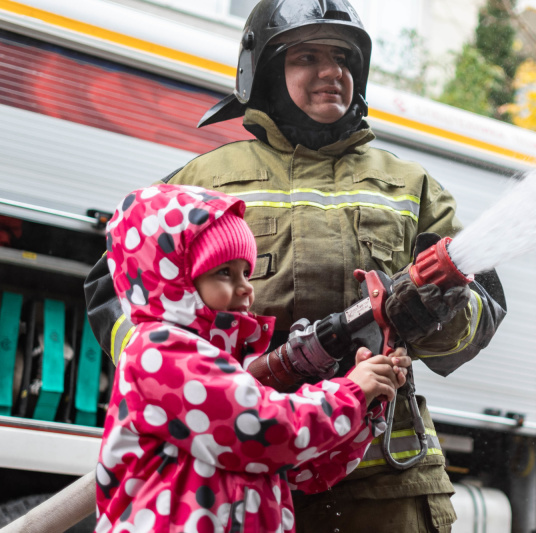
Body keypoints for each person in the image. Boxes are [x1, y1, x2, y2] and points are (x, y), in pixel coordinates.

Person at [84, 1, 507, 531]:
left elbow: (483, 308)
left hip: (382, 487)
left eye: (343, 58)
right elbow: (115, 288)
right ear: (263, 73)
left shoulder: (412, 187)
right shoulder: (203, 179)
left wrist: (437, 316)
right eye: (306, 56)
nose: (332, 72)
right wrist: (176, 377)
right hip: (237, 470)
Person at [95, 183, 410, 532]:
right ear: (177, 281)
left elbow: (303, 471)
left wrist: (368, 400)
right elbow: (265, 431)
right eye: (224, 273)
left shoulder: (223, 365)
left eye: (246, 271)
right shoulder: (160, 351)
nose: (246, 286)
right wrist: (351, 392)